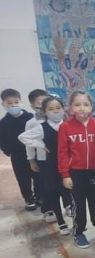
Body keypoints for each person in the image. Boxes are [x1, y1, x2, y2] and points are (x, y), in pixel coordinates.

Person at [57, 91, 95, 249]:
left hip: (94, 171)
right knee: (78, 203)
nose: (82, 108)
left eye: (86, 104)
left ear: (91, 107)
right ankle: (79, 232)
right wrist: (65, 175)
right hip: (75, 173)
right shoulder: (65, 127)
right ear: (71, 108)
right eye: (77, 104)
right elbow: (62, 153)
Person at [18, 95, 70, 235]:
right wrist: (40, 144)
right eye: (51, 109)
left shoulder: (68, 125)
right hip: (49, 165)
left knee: (67, 189)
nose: (55, 111)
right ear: (45, 112)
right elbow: (22, 137)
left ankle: (71, 212)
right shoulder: (42, 127)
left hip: (67, 164)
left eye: (58, 108)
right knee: (53, 192)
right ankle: (61, 222)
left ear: (63, 109)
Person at [0, 89, 37, 211]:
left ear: (21, 102)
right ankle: (28, 198)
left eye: (16, 102)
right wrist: (7, 151)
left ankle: (40, 196)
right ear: (3, 104)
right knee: (22, 178)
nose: (13, 105)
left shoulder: (30, 117)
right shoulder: (3, 123)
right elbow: (2, 139)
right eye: (9, 103)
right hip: (17, 155)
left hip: (33, 153)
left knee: (37, 175)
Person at [24, 89, 49, 212]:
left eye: (45, 102)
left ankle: (67, 204)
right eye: (39, 103)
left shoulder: (56, 118)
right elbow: (28, 143)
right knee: (43, 184)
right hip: (41, 159)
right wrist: (31, 160)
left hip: (58, 157)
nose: (43, 105)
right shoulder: (31, 123)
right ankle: (47, 208)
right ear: (33, 106)